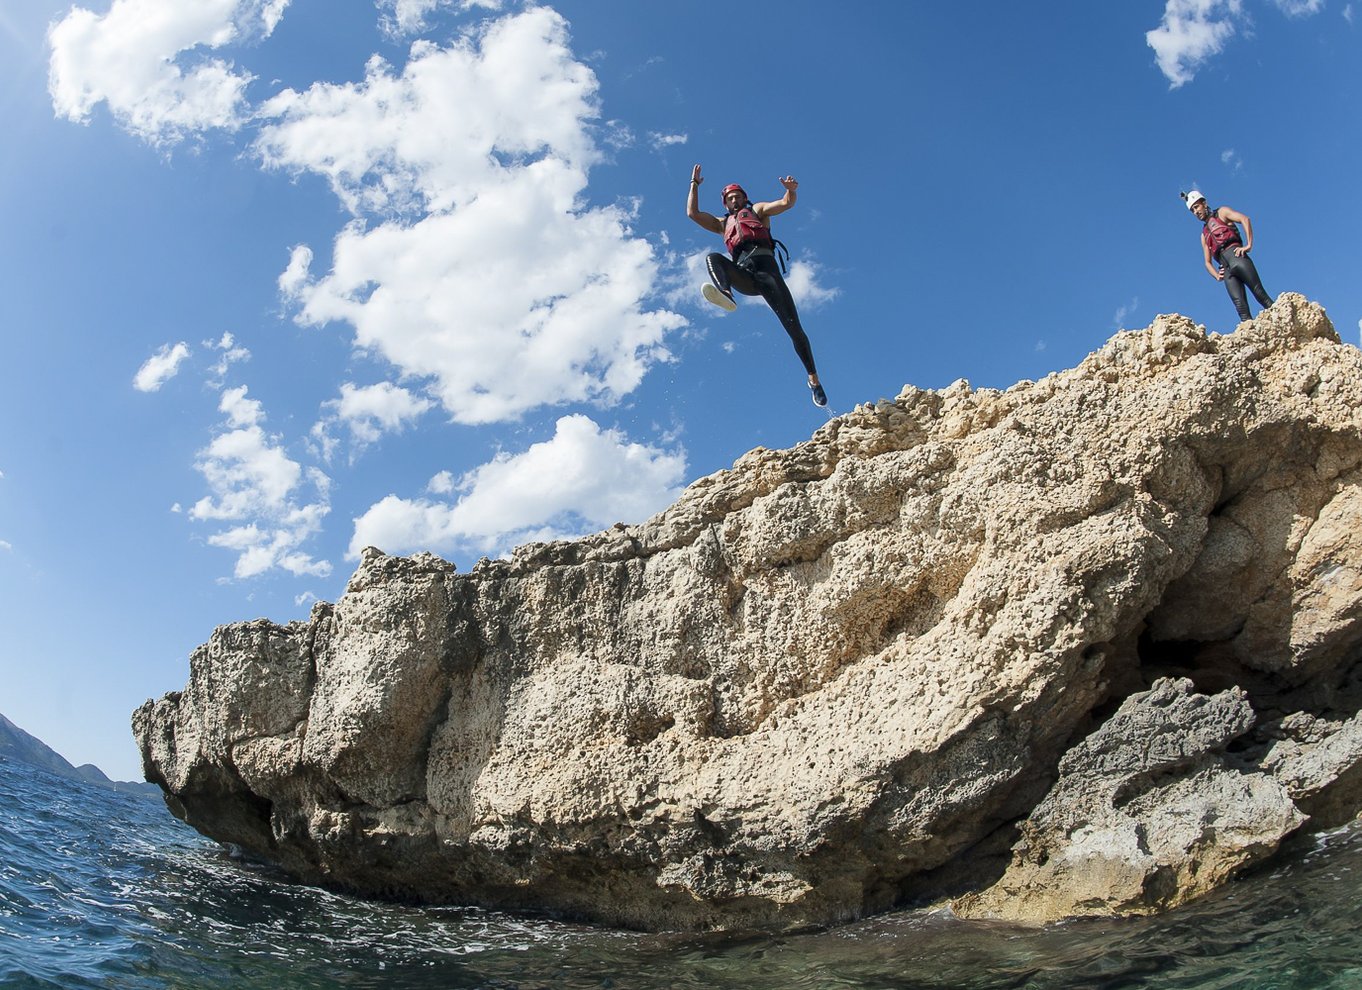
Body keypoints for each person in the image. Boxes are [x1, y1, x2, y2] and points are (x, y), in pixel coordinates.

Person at [687, 164, 827, 407]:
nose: (735, 200)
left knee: (794, 329)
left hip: (768, 273)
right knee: (713, 258)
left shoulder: (759, 210)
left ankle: (814, 380)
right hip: (745, 275)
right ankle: (726, 294)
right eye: (730, 198)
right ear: (725, 203)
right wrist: (694, 185)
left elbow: (785, 204)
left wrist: (791, 191)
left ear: (745, 198)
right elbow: (693, 213)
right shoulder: (722, 224)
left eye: (738, 196)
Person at [1182, 190, 1274, 323]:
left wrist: (1248, 245)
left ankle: (1284, 322)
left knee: (1260, 294)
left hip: (1237, 257)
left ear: (1204, 203)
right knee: (1241, 310)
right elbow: (1207, 262)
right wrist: (1217, 275)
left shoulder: (1222, 213)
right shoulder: (1204, 235)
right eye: (1192, 210)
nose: (1196, 212)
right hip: (1227, 271)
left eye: (1196, 207)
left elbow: (1244, 219)